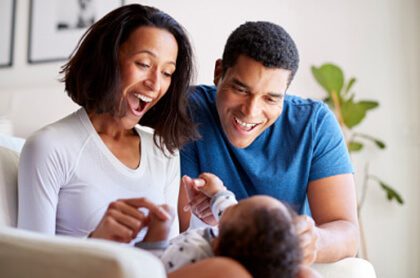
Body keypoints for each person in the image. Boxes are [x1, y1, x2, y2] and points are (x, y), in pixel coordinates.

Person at [179, 21, 359, 264]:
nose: (251, 111)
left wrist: (312, 240)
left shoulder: (314, 124)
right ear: (219, 72)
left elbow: (346, 232)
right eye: (241, 89)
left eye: (271, 98)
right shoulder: (185, 111)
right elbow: (176, 229)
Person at [18, 3, 198, 244]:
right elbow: (29, 263)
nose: (155, 84)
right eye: (144, 64)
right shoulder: (49, 146)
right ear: (107, 59)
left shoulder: (163, 150)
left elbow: (168, 260)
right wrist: (96, 242)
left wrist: (168, 233)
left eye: (167, 72)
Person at [138, 173, 319, 278]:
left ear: (217, 243)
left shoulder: (195, 254)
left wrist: (157, 232)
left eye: (240, 205)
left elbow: (152, 270)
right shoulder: (245, 238)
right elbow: (230, 210)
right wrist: (218, 191)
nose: (232, 205)